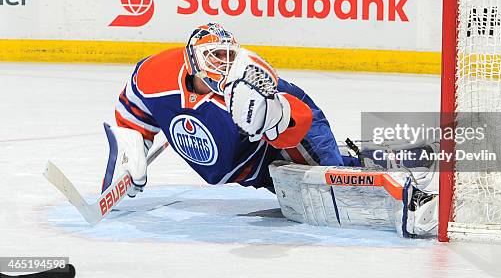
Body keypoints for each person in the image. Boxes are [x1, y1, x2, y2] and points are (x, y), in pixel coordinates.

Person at [104, 23, 354, 199]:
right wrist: (131, 148)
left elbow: (304, 117)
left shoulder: (248, 86)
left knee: (332, 191)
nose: (224, 63)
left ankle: (356, 167)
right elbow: (134, 107)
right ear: (193, 59)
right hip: (250, 173)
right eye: (215, 56)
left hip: (275, 153)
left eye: (229, 55)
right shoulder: (156, 72)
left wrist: (277, 118)